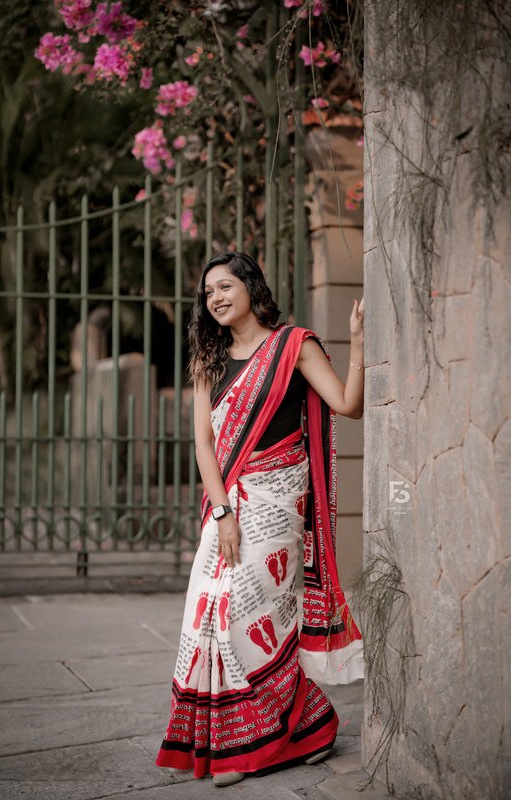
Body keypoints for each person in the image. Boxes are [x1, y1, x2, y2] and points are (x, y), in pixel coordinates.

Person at [156, 251, 364, 787]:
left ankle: (266, 741)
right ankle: (302, 725)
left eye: (225, 286)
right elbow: (204, 444)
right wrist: (223, 511)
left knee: (243, 617)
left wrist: (358, 349)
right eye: (208, 293)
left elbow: (346, 404)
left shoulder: (294, 346)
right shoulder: (207, 359)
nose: (216, 298)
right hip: (227, 502)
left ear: (251, 287)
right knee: (206, 614)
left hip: (279, 501)